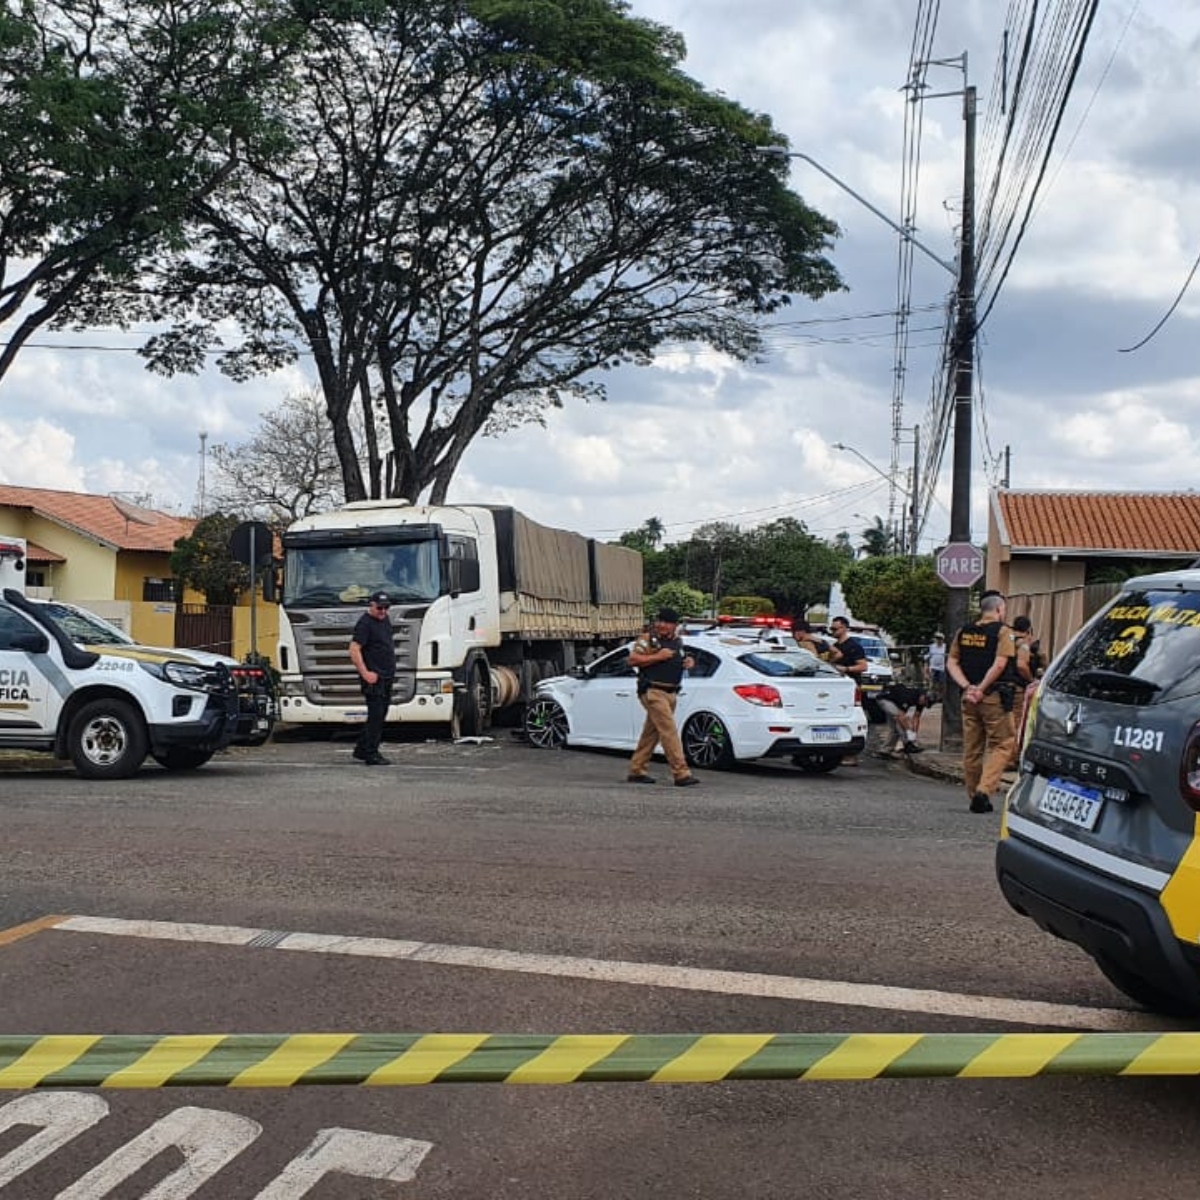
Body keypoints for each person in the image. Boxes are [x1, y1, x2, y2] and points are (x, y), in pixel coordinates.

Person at [946, 592, 1017, 813]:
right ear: (998, 609)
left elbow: (952, 662)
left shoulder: (963, 632)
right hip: (993, 696)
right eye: (1003, 609)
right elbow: (999, 664)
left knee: (972, 748)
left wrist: (968, 687)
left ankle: (973, 793)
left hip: (968, 699)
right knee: (1003, 744)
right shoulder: (1003, 632)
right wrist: (981, 688)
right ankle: (984, 791)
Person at [627, 607, 700, 787]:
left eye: (665, 622)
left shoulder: (677, 642)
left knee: (651, 733)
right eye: (658, 621)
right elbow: (633, 660)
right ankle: (681, 772)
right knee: (669, 731)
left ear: (674, 625)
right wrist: (658, 656)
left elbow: (680, 658)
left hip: (671, 693)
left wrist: (688, 662)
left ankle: (637, 769)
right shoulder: (648, 640)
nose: (660, 625)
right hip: (653, 691)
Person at [348, 590, 397, 765]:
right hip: (373, 677)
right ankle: (371, 752)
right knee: (376, 715)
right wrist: (365, 673)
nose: (383, 611)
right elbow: (354, 649)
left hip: (386, 675)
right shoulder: (365, 623)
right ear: (371, 605)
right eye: (380, 608)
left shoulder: (385, 620)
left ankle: (362, 748)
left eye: (386, 608)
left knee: (381, 713)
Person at [827, 616, 868, 765]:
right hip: (837, 689)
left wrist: (846, 669)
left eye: (835, 628)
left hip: (851, 687)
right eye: (831, 629)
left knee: (850, 718)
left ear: (844, 628)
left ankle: (851, 755)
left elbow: (863, 666)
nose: (833, 631)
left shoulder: (853, 646)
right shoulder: (835, 647)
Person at [873, 683, 931, 756]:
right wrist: (909, 731)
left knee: (896, 729)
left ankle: (885, 750)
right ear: (923, 697)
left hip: (896, 703)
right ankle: (907, 745)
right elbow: (901, 716)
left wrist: (914, 734)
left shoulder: (922, 700)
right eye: (924, 703)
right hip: (885, 700)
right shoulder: (908, 697)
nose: (923, 705)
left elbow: (916, 717)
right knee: (900, 722)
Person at [925, 632, 946, 700]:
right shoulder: (932, 646)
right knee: (932, 683)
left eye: (940, 639)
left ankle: (940, 696)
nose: (938, 640)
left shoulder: (945, 646)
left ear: (942, 639)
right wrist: (926, 666)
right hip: (933, 667)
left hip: (942, 667)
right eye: (937, 638)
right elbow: (928, 656)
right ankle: (932, 696)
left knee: (941, 683)